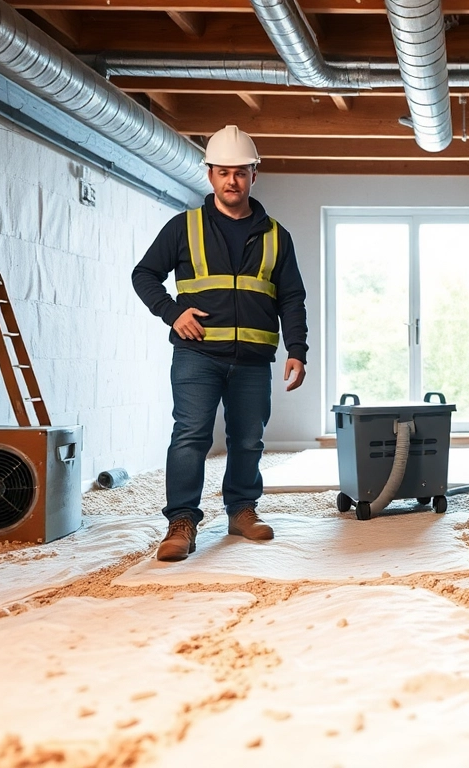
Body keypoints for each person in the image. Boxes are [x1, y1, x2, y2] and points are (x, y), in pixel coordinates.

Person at [132, 125, 308, 562]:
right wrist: (173, 313)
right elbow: (144, 275)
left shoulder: (275, 235)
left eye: (242, 172)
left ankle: (242, 511)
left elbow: (291, 297)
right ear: (209, 174)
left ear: (254, 175)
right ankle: (181, 522)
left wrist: (298, 350)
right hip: (197, 356)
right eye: (224, 172)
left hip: (252, 359)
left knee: (248, 439)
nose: (233, 181)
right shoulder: (183, 227)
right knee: (190, 437)